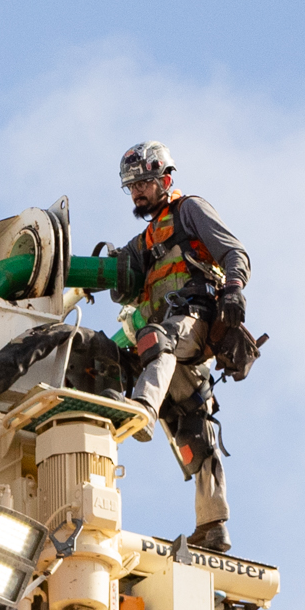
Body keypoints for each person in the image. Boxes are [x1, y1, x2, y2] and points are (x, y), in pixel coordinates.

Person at [93, 141, 254, 554]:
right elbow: (120, 275)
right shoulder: (146, 239)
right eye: (131, 187)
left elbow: (234, 252)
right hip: (172, 343)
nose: (137, 193)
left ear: (165, 178)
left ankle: (141, 411)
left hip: (195, 318)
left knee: (155, 341)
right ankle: (213, 525)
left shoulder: (189, 211)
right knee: (192, 421)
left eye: (144, 183)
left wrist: (234, 289)